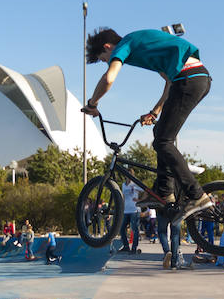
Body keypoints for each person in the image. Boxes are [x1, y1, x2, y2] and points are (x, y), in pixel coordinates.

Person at [83, 28, 213, 221]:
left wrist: (92, 103)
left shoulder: (125, 44)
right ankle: (164, 191)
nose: (108, 62)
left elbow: (109, 78)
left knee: (163, 142)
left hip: (189, 79)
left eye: (104, 58)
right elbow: (170, 82)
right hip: (196, 78)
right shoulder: (145, 46)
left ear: (107, 47)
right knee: (160, 133)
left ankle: (197, 196)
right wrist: (155, 112)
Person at [120, 169, 143, 254]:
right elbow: (123, 196)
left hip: (134, 209)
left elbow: (145, 191)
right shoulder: (123, 185)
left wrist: (140, 200)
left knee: (134, 229)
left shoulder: (135, 184)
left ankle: (134, 247)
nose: (128, 176)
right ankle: (126, 246)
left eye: (130, 175)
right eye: (127, 174)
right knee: (122, 229)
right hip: (126, 210)